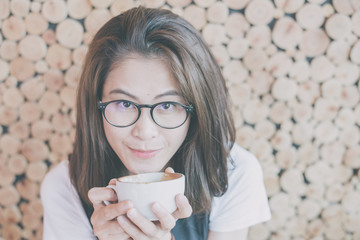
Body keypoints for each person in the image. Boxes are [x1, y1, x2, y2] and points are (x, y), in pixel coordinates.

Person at [41, 6, 271, 240]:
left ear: (198, 110)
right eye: (125, 104)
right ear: (95, 106)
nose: (145, 132)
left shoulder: (233, 173)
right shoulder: (64, 186)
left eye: (168, 106)